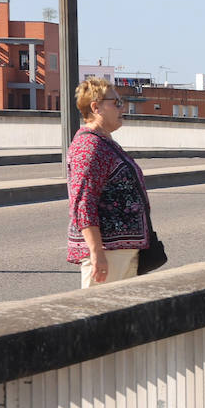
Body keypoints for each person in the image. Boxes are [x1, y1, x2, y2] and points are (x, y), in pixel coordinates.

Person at [66, 77, 151, 287]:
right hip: (108, 253)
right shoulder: (89, 146)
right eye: (116, 103)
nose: (123, 108)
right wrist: (96, 253)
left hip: (118, 253)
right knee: (101, 314)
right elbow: (82, 202)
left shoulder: (104, 142)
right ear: (96, 107)